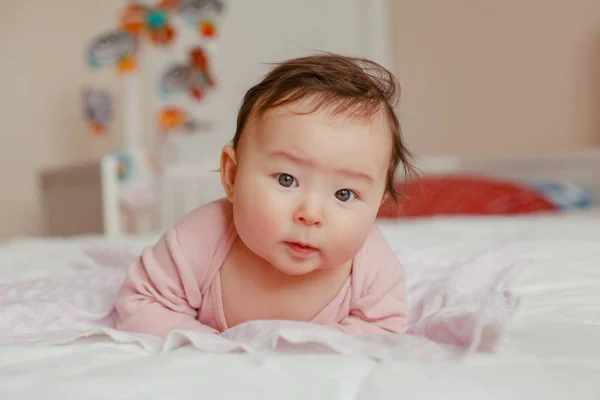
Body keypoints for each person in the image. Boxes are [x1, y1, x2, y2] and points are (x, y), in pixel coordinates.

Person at [114, 53, 414, 338]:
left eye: (345, 194)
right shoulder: (199, 239)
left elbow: (383, 332)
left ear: (376, 206)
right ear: (232, 175)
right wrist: (214, 349)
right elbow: (140, 303)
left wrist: (311, 351)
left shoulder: (372, 267)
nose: (310, 214)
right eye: (287, 179)